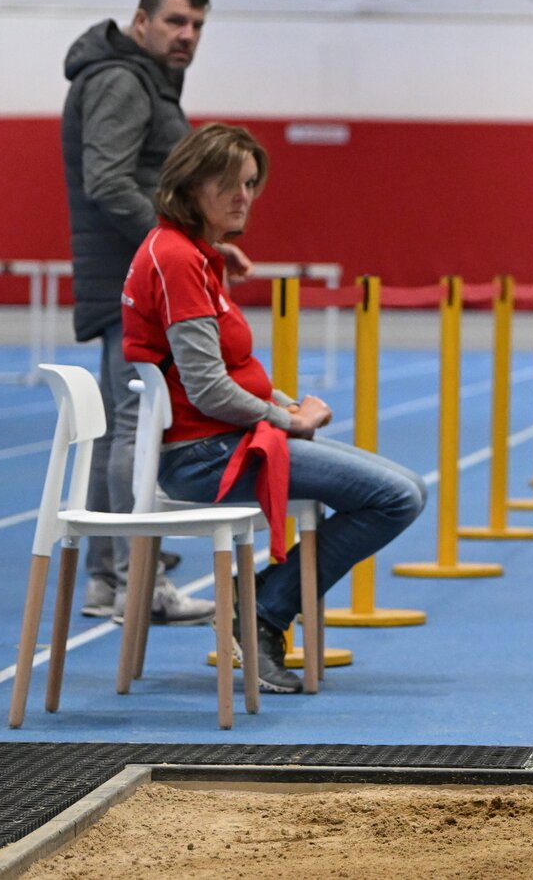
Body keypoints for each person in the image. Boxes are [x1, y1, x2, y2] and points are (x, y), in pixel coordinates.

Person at [129, 124, 425, 694]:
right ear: (191, 187)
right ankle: (263, 610)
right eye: (231, 184)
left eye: (250, 184)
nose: (246, 196)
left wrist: (282, 403)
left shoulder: (191, 255)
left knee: (407, 487)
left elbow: (225, 375)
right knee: (397, 497)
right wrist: (289, 420)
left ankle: (260, 601)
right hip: (206, 455)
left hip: (225, 442)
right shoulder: (179, 260)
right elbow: (210, 390)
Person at [61, 0, 238, 625]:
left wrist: (204, 244)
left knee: (121, 427)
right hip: (132, 283)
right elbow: (108, 181)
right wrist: (178, 250)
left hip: (133, 275)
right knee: (135, 429)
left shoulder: (141, 82)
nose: (186, 34)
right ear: (140, 23)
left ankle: (111, 583)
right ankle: (137, 581)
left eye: (196, 24)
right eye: (174, 21)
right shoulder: (122, 81)